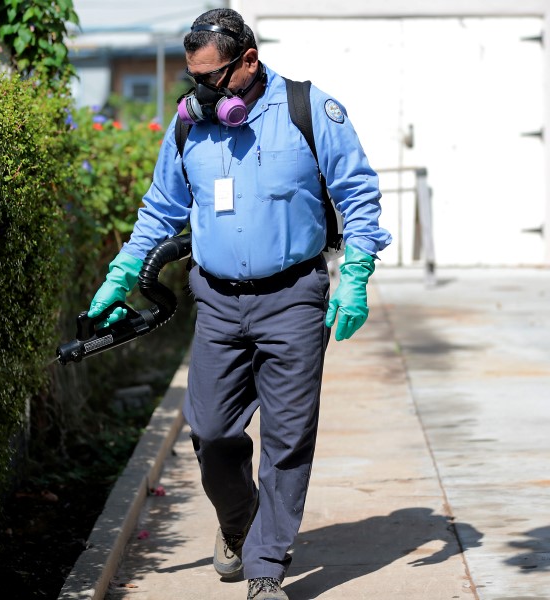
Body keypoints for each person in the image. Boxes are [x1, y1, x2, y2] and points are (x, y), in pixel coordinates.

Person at [87, 8, 391, 600]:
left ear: (249, 61)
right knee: (211, 431)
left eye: (212, 78)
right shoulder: (189, 126)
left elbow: (358, 193)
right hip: (219, 301)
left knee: (288, 437)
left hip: (294, 297)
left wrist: (356, 273)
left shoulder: (311, 110)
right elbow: (160, 210)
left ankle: (266, 568)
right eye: (192, 79)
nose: (201, 92)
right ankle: (239, 519)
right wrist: (122, 273)